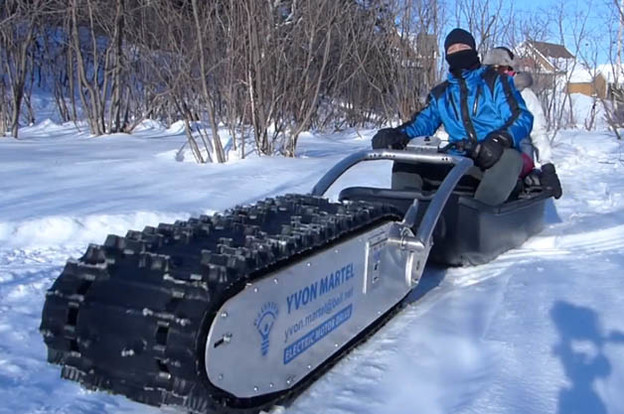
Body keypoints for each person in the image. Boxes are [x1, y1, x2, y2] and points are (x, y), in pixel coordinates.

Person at [371, 28, 533, 206]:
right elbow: (423, 122)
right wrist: (398, 135)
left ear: (473, 49)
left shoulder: (496, 82)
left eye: (462, 47)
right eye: (452, 50)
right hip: (458, 160)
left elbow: (521, 116)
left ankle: (479, 218)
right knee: (406, 160)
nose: (458, 53)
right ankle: (405, 213)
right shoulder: (442, 93)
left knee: (510, 158)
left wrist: (499, 140)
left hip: (491, 159)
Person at [483, 46, 562, 199]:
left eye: (501, 68)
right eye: (492, 69)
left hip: (518, 154)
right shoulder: (481, 94)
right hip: (488, 151)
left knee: (504, 164)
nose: (497, 73)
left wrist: (547, 166)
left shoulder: (524, 95)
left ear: (510, 69)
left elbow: (538, 131)